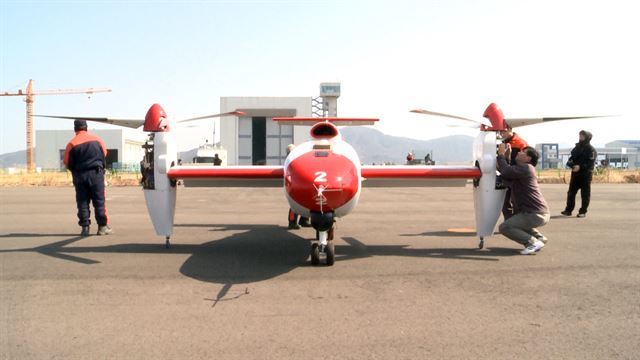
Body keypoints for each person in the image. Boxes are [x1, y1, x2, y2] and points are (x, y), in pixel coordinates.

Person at [497, 144, 549, 255]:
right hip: (536, 213)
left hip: (534, 214)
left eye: (522, 152)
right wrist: (507, 157)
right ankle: (539, 239)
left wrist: (501, 155)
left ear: (528, 158)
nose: (519, 153)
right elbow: (507, 171)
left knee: (505, 227)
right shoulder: (522, 170)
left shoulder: (526, 168)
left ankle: (532, 242)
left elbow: (506, 171)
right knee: (517, 224)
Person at [64, 120, 112, 236]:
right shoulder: (97, 140)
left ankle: (85, 228)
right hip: (96, 174)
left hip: (80, 175)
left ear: (75, 129)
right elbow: (104, 153)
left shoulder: (71, 143)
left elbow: (66, 162)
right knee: (99, 201)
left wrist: (76, 170)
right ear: (86, 128)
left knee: (82, 202)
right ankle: (102, 227)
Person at [561, 130, 597, 218]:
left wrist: (580, 167)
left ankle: (583, 211)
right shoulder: (576, 148)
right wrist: (571, 165)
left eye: (582, 136)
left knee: (585, 194)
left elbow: (590, 163)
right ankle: (568, 210)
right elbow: (571, 158)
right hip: (575, 175)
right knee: (571, 193)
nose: (580, 137)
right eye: (580, 135)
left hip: (585, 175)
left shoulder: (591, 150)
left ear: (587, 137)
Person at [499, 127, 529, 220]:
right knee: (504, 200)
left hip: (517, 177)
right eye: (500, 131)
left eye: (504, 131)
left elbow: (527, 162)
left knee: (516, 201)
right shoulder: (501, 143)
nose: (501, 133)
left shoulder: (521, 143)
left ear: (510, 130)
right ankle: (508, 221)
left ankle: (517, 222)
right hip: (507, 175)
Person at [285, 144, 310, 229]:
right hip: (295, 187)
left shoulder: (298, 160)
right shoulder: (289, 162)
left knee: (308, 202)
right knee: (294, 205)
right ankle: (292, 222)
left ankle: (304, 220)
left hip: (302, 184)